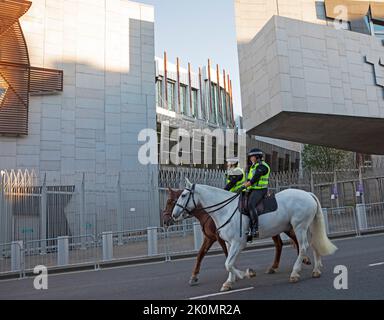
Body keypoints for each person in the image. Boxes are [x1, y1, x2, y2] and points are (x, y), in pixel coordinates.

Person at [243, 148, 271, 239]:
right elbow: (249, 179)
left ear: (258, 157)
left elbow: (255, 179)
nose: (251, 158)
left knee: (251, 204)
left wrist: (245, 185)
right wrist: (243, 187)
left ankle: (255, 228)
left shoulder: (262, 166)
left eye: (252, 156)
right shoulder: (253, 166)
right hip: (252, 190)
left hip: (260, 190)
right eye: (250, 157)